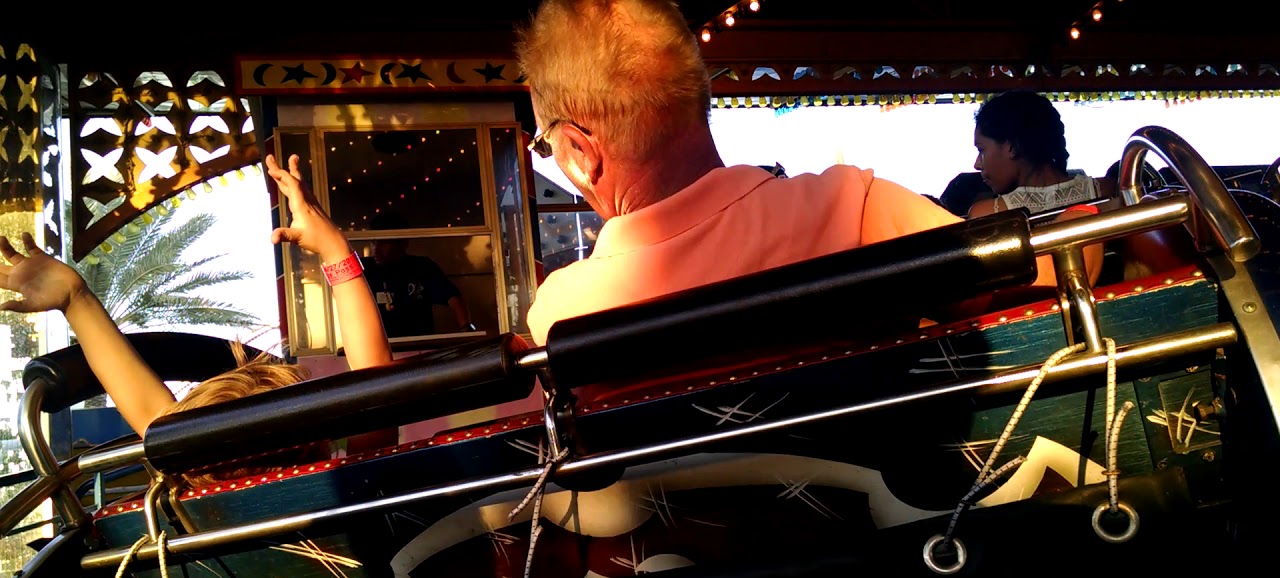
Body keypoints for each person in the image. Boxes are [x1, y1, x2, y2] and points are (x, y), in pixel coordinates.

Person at [515, 0, 963, 346]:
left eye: (545, 145)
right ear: (700, 97)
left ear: (579, 151)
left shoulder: (561, 317)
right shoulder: (860, 210)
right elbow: (1025, 293)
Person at [0, 152, 395, 488]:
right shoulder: (357, 488)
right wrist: (333, 248)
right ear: (320, 440)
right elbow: (378, 388)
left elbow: (155, 419)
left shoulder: (199, 525)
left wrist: (76, 299)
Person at [966, 90, 1109, 287]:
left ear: (1011, 147)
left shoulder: (987, 214)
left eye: (981, 150)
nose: (977, 164)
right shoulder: (1109, 191)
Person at [362, 231, 475, 338]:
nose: (375, 250)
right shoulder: (365, 269)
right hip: (376, 346)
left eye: (383, 244)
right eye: (373, 242)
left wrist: (467, 330)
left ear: (403, 243)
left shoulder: (421, 267)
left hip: (419, 345)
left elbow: (453, 298)